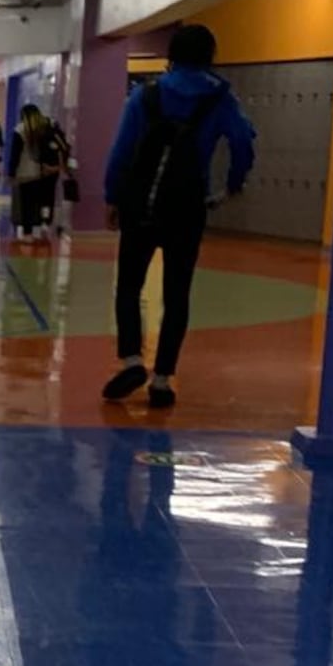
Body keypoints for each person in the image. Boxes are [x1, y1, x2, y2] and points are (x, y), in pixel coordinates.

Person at [102, 24, 256, 408]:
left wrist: (113, 198)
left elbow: (122, 150)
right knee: (177, 294)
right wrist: (235, 182)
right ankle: (162, 379)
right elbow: (243, 140)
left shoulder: (146, 96)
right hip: (187, 206)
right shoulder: (220, 98)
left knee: (129, 286)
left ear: (171, 55)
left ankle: (132, 358)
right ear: (210, 55)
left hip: (142, 204)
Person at [8, 104, 63, 241]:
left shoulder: (21, 130)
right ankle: (45, 223)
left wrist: (11, 173)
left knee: (27, 202)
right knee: (46, 199)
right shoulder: (50, 124)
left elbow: (15, 155)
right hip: (49, 171)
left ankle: (28, 233)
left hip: (27, 173)